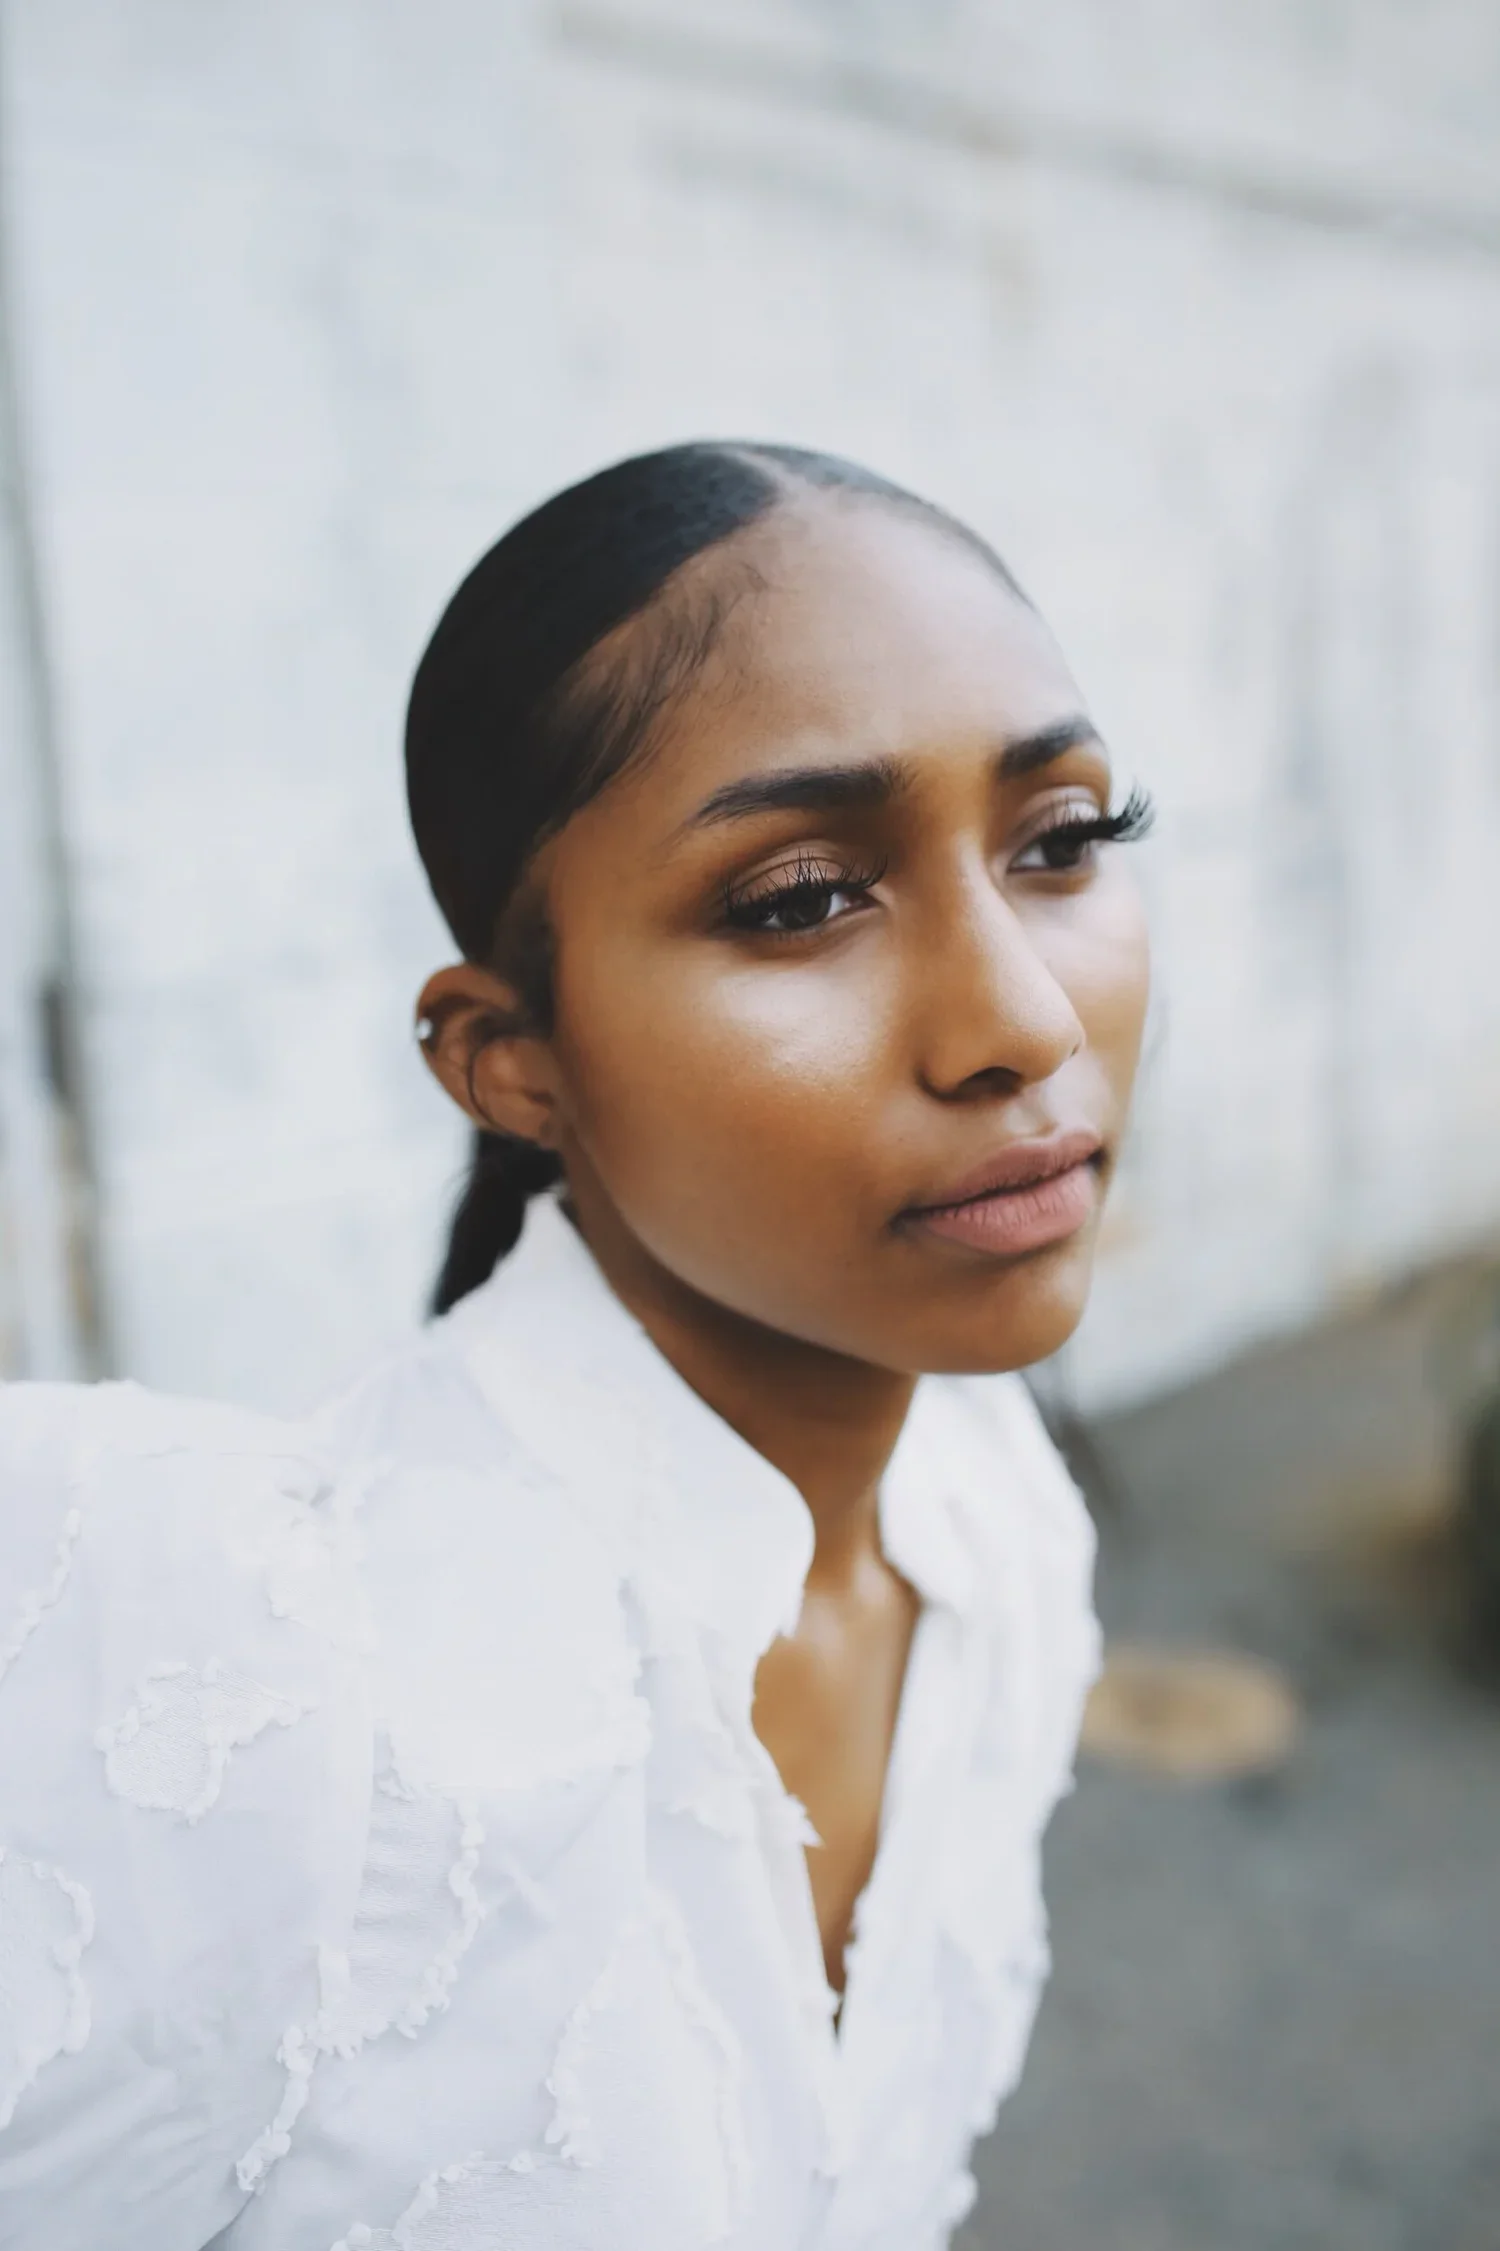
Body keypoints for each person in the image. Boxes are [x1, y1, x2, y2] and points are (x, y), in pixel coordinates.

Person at [0, 442, 1150, 2251]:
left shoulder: (1006, 1534)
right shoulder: (232, 1670)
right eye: (798, 899)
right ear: (511, 1058)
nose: (1020, 1016)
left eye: (1064, 840)